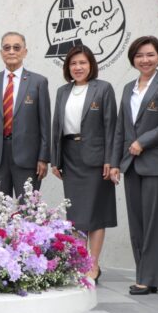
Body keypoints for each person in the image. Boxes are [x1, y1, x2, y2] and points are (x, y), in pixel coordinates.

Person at [110, 36, 158, 295]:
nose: (145, 60)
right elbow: (121, 128)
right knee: (138, 224)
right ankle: (149, 276)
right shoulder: (128, 88)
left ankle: (148, 278)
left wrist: (143, 141)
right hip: (132, 166)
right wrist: (116, 163)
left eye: (150, 54)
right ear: (133, 59)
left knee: (156, 223)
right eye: (139, 55)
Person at [51, 45, 117, 283]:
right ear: (68, 67)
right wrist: (55, 159)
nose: (78, 67)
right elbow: (56, 126)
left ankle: (94, 265)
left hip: (97, 159)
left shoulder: (103, 89)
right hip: (70, 157)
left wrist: (111, 159)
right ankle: (81, 263)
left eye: (83, 63)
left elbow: (111, 127)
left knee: (96, 214)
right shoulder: (62, 91)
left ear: (91, 65)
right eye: (73, 63)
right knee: (76, 215)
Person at [0, 31, 50, 196]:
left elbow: (45, 124)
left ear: (25, 52)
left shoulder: (38, 82)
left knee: (28, 208)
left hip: (28, 158)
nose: (11, 51)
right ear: (1, 52)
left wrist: (43, 158)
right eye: (7, 48)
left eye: (16, 48)